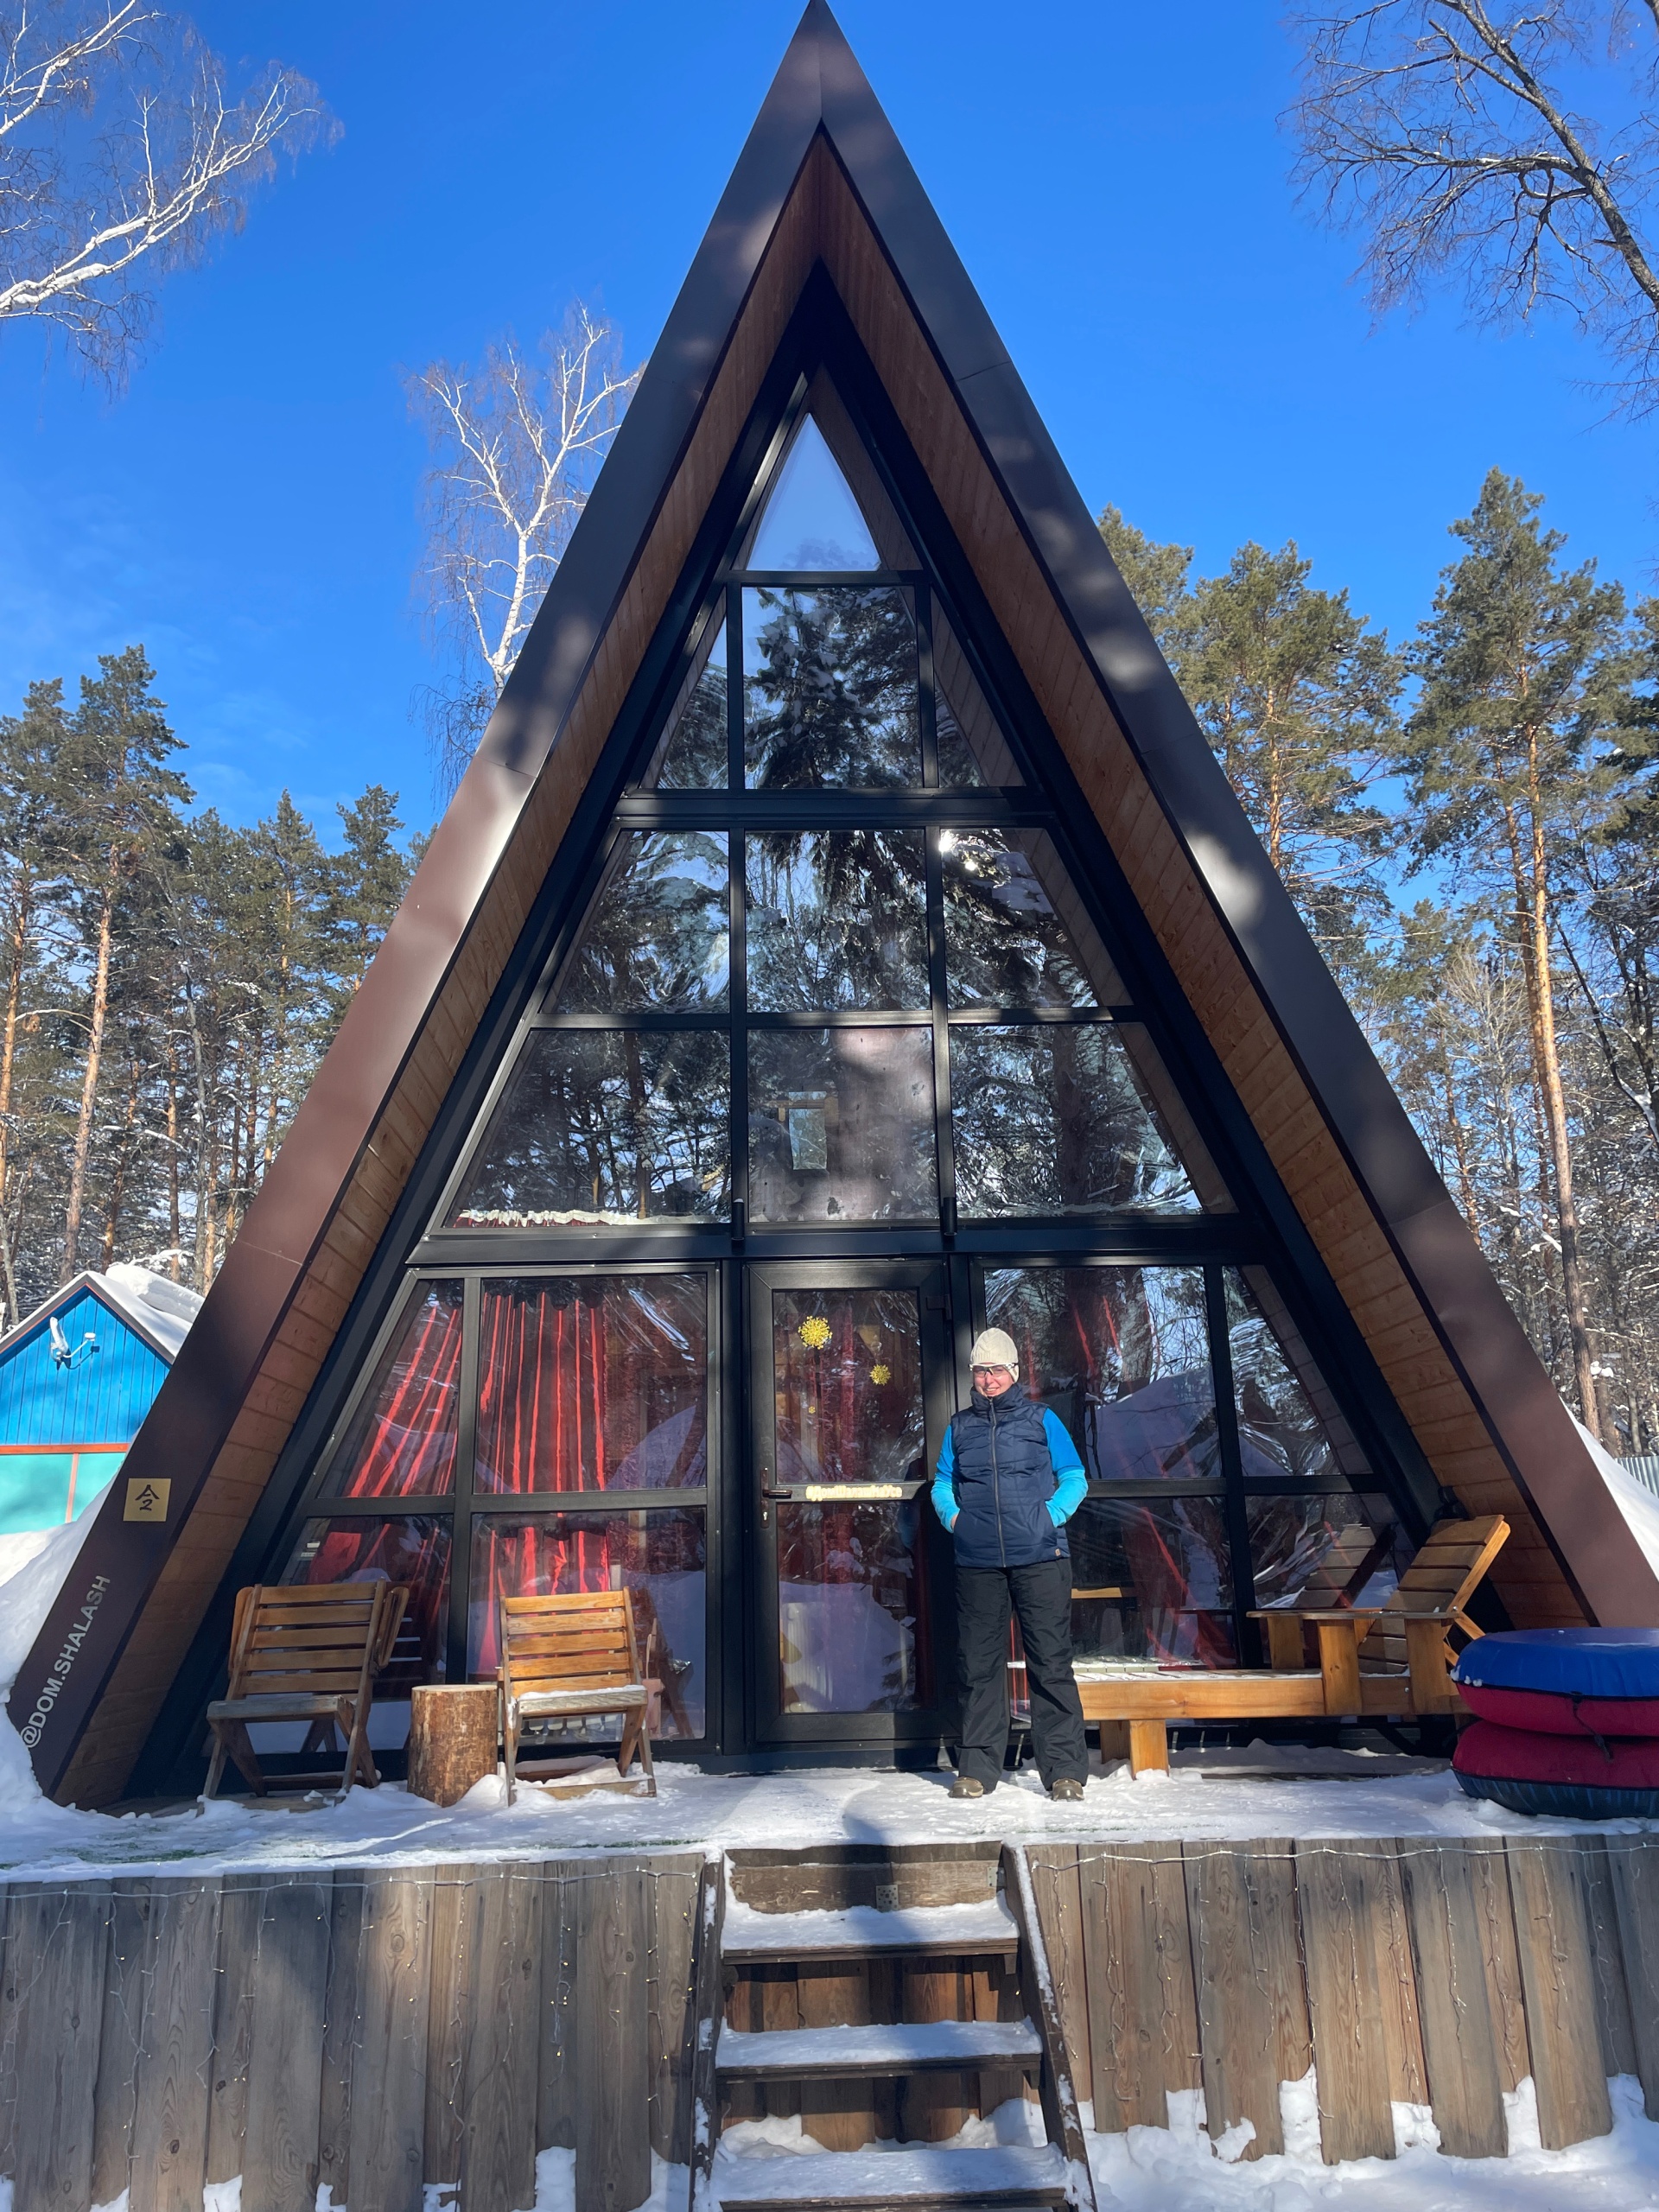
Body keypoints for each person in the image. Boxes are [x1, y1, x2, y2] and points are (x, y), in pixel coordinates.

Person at [931, 1328, 1090, 1800]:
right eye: (981, 1371)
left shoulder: (1042, 1420)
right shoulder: (959, 1428)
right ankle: (977, 1770)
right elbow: (942, 1482)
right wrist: (955, 1519)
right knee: (979, 1667)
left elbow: (1075, 1477)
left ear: (1014, 1372)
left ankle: (1063, 1772)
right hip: (978, 1562)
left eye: (997, 1370)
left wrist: (1050, 1517)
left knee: (1051, 1664)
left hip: (1041, 1557)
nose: (989, 1379)